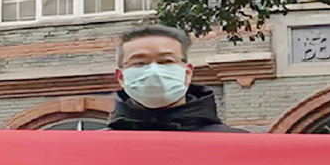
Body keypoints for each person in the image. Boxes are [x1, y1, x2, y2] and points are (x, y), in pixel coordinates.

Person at [106, 25, 247, 133]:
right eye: (139, 63)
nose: (154, 72)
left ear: (187, 73)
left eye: (166, 61)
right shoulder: (99, 147)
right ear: (121, 77)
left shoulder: (236, 144)